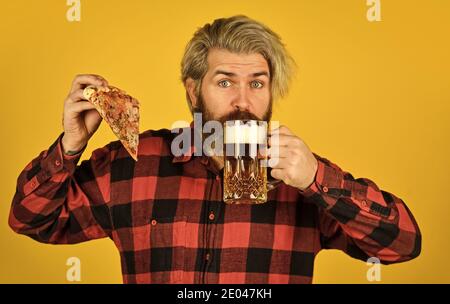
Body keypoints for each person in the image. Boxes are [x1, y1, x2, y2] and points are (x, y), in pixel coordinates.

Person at [9, 15, 421, 284]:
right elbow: (32, 221)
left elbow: (402, 246)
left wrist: (318, 181)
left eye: (257, 83)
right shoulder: (133, 164)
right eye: (225, 82)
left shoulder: (302, 173)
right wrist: (71, 144)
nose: (243, 101)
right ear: (194, 90)